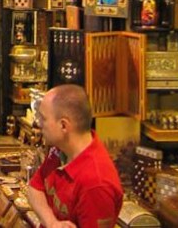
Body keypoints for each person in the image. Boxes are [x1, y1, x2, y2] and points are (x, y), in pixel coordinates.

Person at [27, 85, 123, 228]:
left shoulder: (96, 185)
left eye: (43, 119)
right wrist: (52, 223)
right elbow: (35, 188)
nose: (38, 124)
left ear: (64, 126)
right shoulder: (60, 149)